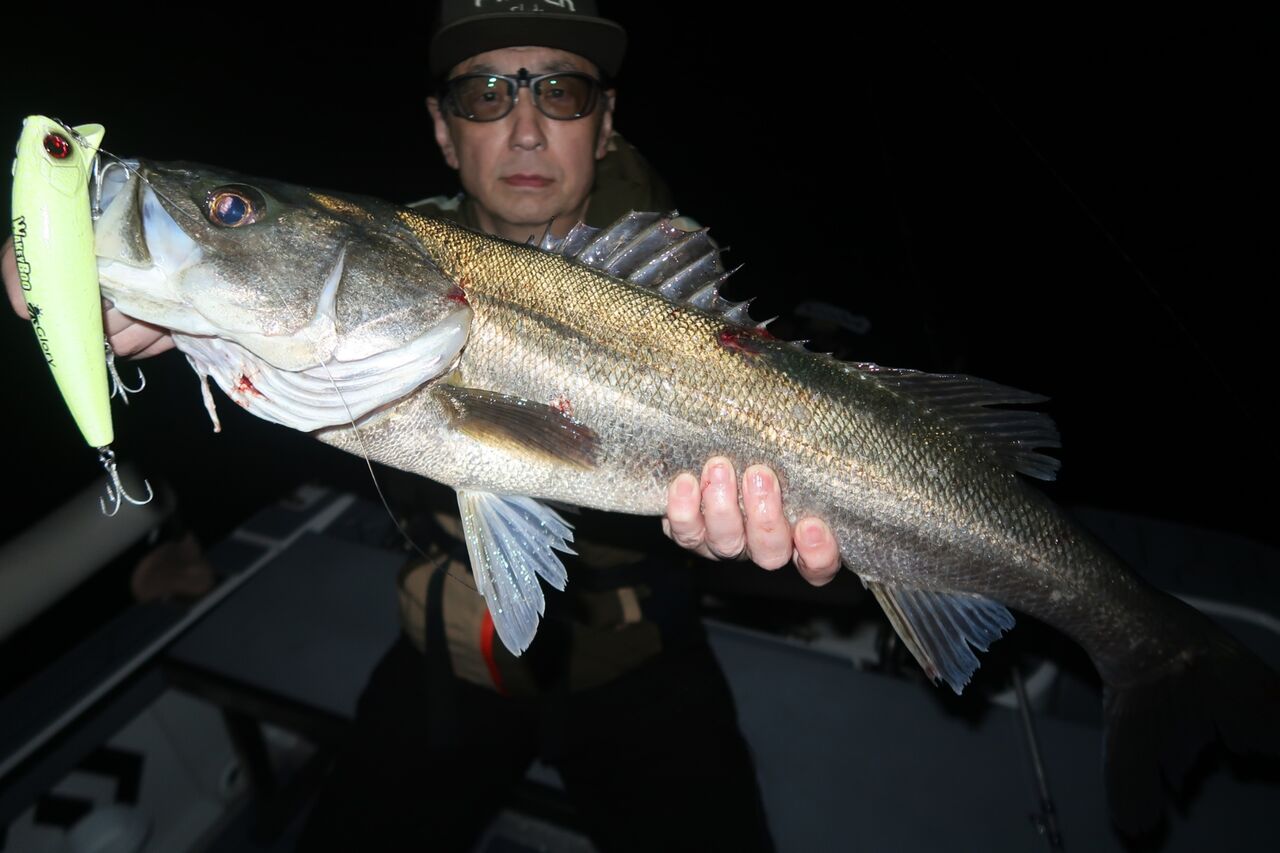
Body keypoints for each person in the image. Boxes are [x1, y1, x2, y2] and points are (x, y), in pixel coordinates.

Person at [2, 2, 843, 849]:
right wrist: (67, 266)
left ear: (606, 121)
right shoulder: (391, 243)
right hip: (446, 656)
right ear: (444, 129)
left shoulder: (682, 287)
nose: (525, 129)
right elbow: (269, 319)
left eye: (561, 91)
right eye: (485, 95)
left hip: (639, 660)